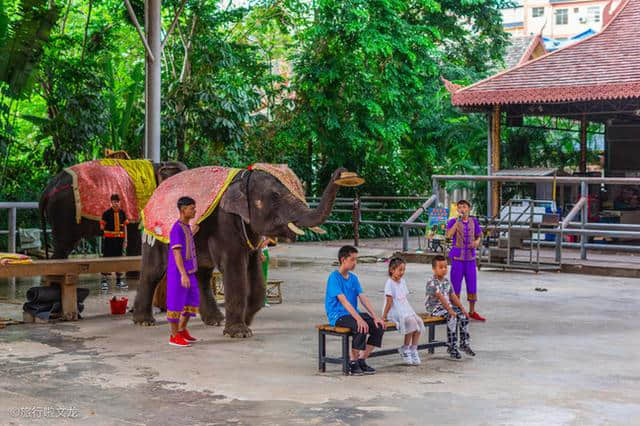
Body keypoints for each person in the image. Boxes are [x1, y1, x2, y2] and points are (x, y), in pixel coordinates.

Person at [325, 245, 385, 375]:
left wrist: (375, 316)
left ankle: (362, 359)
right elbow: (344, 301)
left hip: (353, 313)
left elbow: (363, 298)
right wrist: (359, 319)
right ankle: (353, 362)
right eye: (352, 259)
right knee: (361, 327)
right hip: (338, 316)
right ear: (343, 259)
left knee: (378, 326)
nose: (355, 263)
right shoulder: (334, 278)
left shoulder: (353, 278)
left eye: (356, 260)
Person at [425, 255, 476, 359]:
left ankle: (464, 343)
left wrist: (462, 308)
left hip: (446, 306)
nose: (444, 269)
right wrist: (450, 310)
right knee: (452, 317)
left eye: (445, 267)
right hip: (435, 308)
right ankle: (451, 346)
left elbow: (452, 296)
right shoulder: (432, 282)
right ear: (434, 269)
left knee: (463, 316)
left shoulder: (446, 281)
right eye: (441, 267)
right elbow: (441, 298)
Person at [166, 196, 200, 347]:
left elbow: (186, 242)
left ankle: (182, 330)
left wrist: (193, 232)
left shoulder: (186, 227)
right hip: (179, 274)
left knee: (192, 301)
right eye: (192, 208)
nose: (194, 210)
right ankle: (174, 336)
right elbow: (177, 253)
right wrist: (183, 275)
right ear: (183, 210)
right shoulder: (176, 229)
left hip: (190, 271)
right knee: (176, 304)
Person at [445, 199, 485, 321]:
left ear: (469, 208)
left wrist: (476, 242)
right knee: (455, 285)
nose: (462, 209)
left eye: (464, 207)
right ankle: (456, 310)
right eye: (460, 207)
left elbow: (479, 236)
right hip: (457, 257)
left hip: (470, 258)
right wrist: (457, 221)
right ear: (457, 209)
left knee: (472, 285)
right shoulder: (453, 221)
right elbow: (448, 235)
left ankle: (472, 311)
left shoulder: (474, 221)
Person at [381, 257, 425, 365]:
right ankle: (405, 348)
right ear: (392, 270)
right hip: (394, 310)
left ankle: (413, 349)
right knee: (411, 322)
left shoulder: (402, 282)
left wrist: (408, 310)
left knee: (418, 321)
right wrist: (384, 316)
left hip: (404, 307)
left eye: (403, 270)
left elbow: (404, 298)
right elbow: (389, 301)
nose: (402, 272)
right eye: (400, 270)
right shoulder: (389, 283)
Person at [100, 194, 128, 290]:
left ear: (119, 202)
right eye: (113, 201)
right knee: (107, 259)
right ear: (111, 202)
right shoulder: (106, 213)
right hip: (109, 240)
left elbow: (124, 227)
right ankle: (104, 281)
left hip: (119, 240)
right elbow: (102, 227)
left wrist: (125, 240)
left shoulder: (122, 213)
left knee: (119, 259)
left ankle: (119, 281)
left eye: (117, 201)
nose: (115, 203)